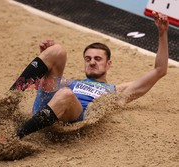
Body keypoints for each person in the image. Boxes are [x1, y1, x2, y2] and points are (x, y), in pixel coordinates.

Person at [9, 11, 169, 139]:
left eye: (98, 59)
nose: (92, 62)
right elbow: (43, 87)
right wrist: (46, 63)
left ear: (108, 64)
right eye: (88, 59)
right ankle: (7, 101)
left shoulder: (116, 92)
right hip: (45, 109)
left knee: (65, 94)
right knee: (57, 50)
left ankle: (15, 136)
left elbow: (159, 70)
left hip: (72, 115)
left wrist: (162, 34)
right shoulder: (71, 82)